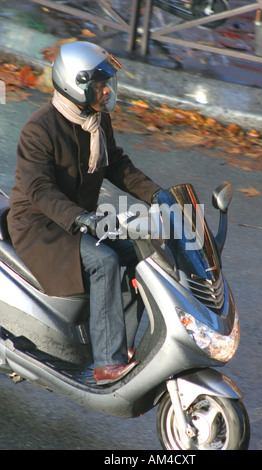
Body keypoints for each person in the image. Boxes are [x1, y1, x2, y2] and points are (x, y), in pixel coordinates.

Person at [7, 41, 161, 385]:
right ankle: (107, 364)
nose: (106, 92)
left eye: (107, 84)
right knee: (105, 260)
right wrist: (80, 218)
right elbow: (39, 190)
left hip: (78, 221)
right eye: (99, 85)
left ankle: (119, 345)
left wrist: (159, 195)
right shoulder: (39, 128)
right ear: (74, 84)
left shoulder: (95, 120)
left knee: (138, 250)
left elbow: (116, 165)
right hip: (41, 227)